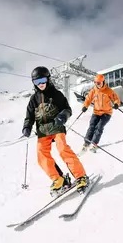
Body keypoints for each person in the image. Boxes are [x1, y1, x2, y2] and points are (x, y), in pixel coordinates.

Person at [22, 66, 89, 195]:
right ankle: (59, 179)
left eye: (42, 80)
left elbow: (67, 109)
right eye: (37, 82)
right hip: (42, 131)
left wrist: (62, 117)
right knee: (41, 155)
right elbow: (29, 116)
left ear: (48, 79)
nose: (40, 84)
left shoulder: (56, 94)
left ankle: (81, 176)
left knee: (62, 148)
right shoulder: (33, 99)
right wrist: (27, 127)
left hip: (57, 126)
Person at [81, 74, 120, 153]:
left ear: (103, 82)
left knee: (99, 127)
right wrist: (85, 106)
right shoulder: (93, 90)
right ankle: (86, 143)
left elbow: (116, 98)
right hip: (96, 112)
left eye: (98, 83)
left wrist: (116, 104)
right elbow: (88, 99)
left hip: (106, 113)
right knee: (92, 126)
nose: (97, 84)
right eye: (95, 83)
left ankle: (94, 144)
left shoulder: (108, 91)